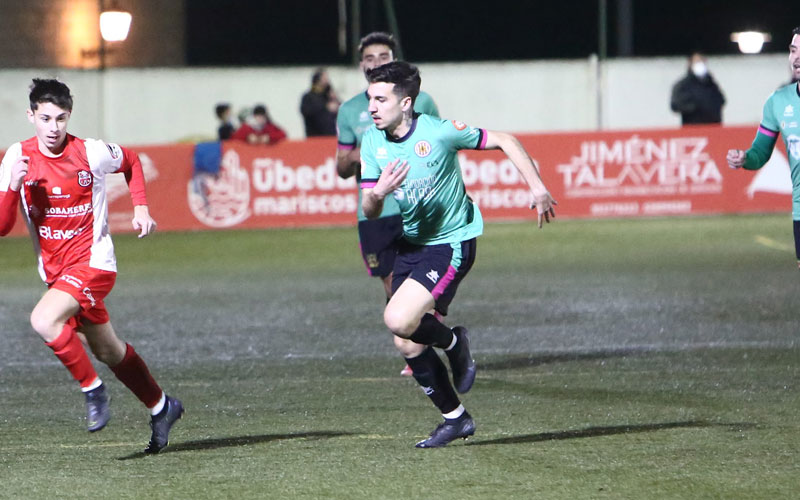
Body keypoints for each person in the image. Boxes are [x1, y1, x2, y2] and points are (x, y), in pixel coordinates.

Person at [359, 62, 556, 448]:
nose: (373, 107)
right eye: (370, 99)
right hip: (412, 245)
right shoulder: (372, 141)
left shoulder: (438, 132)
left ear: (406, 103)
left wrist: (536, 187)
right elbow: (369, 209)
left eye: (381, 99)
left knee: (397, 318)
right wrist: (378, 194)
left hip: (452, 241)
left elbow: (504, 139)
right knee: (407, 342)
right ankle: (456, 418)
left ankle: (452, 344)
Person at [0, 79, 183, 454]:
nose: (53, 127)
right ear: (30, 115)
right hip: (57, 275)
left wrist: (142, 208)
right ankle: (162, 406)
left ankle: (93, 391)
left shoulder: (91, 153)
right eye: (45, 118)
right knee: (109, 350)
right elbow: (2, 227)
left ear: (70, 116)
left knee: (42, 320)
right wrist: (10, 188)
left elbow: (130, 161)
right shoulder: (16, 158)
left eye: (61, 118)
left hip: (94, 264)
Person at [336, 32, 440, 377]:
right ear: (361, 64)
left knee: (416, 280)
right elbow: (341, 166)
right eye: (370, 58)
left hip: (415, 205)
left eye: (383, 56)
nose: (376, 62)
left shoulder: (421, 101)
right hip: (375, 210)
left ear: (394, 59)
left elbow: (437, 149)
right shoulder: (351, 109)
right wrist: (359, 152)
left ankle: (421, 347)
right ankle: (417, 341)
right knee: (392, 284)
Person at [727, 27, 800, 269]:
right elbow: (761, 152)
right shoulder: (778, 102)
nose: (796, 58)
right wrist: (745, 157)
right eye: (792, 50)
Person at [670, 52, 726, 125]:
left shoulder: (711, 83)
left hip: (713, 127)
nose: (700, 64)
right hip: (693, 127)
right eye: (697, 61)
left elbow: (721, 100)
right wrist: (696, 107)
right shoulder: (683, 85)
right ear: (690, 63)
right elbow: (676, 105)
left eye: (702, 61)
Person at [300, 68, 340, 137]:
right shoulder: (309, 97)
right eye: (324, 78)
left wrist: (335, 98)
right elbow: (307, 111)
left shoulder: (328, 96)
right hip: (315, 135)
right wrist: (325, 107)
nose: (327, 81)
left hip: (330, 135)